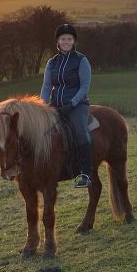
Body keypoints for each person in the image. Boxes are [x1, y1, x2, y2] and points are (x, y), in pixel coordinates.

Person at [41, 24, 93, 188]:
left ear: (74, 41)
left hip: (77, 105)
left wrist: (72, 104)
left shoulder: (81, 60)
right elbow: (47, 86)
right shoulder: (51, 62)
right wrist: (42, 105)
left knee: (81, 132)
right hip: (55, 105)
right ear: (58, 41)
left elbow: (84, 86)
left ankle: (85, 173)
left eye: (69, 39)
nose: (66, 42)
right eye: (63, 39)